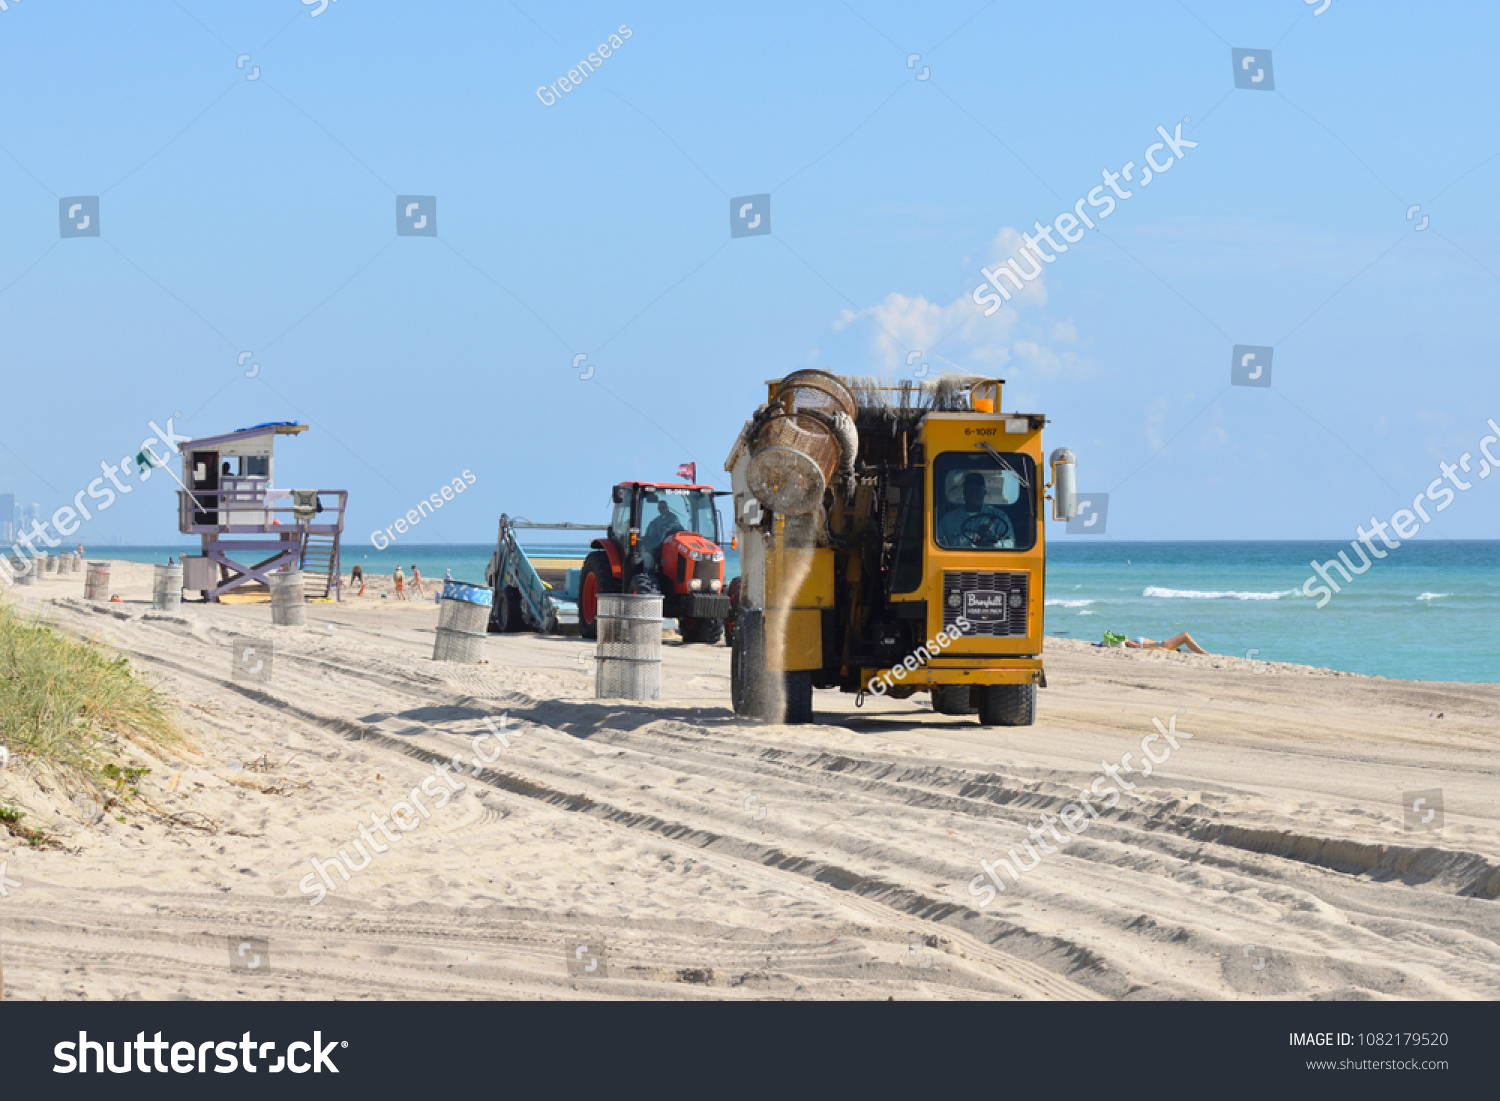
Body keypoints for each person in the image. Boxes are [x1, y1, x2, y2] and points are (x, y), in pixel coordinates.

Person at [936, 471, 1013, 548]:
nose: (974, 494)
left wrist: (991, 545)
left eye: (978, 490)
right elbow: (939, 546)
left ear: (984, 492)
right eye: (970, 490)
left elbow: (1010, 544)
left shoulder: (999, 517)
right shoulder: (948, 520)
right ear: (964, 492)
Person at [642, 497, 682, 570]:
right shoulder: (656, 521)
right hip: (657, 545)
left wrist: (666, 527)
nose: (661, 509)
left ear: (667, 507)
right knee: (646, 555)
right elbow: (650, 531)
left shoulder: (673, 518)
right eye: (660, 508)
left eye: (663, 507)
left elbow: (674, 526)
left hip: (668, 545)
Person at [1126, 633, 1207, 654]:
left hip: (1162, 644)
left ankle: (1202, 652)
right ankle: (1204, 653)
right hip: (1162, 645)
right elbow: (1140, 648)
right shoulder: (1130, 644)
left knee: (1185, 637)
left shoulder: (1131, 641)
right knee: (1185, 636)